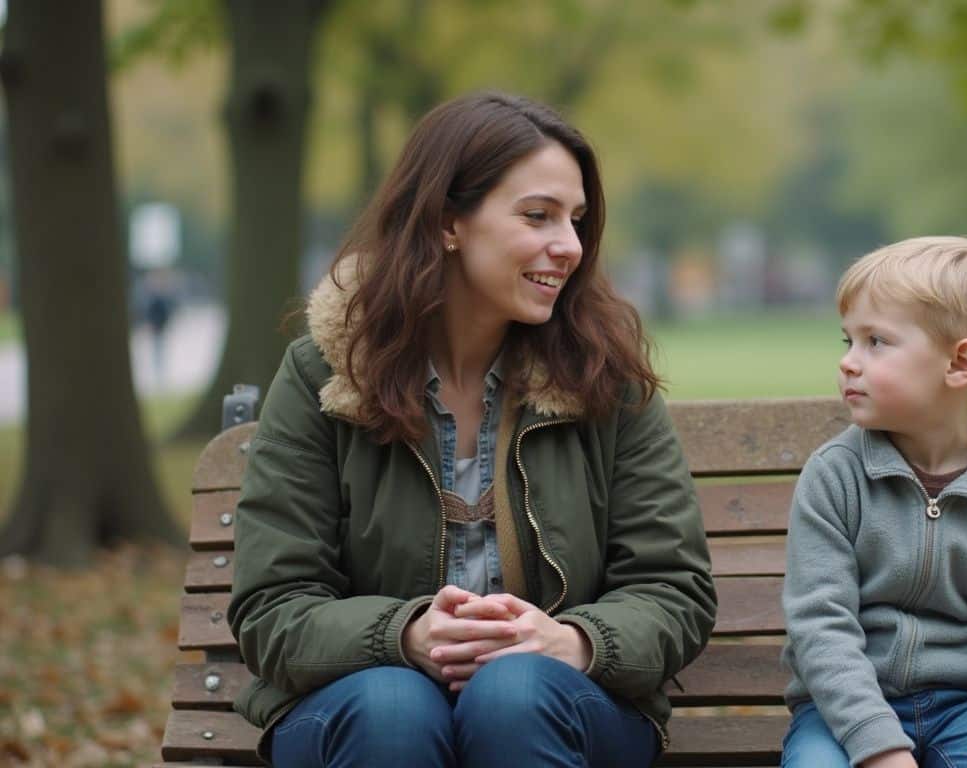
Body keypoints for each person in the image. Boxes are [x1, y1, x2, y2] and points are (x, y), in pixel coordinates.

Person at [227, 92, 717, 768]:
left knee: (513, 694)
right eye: (538, 216)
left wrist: (573, 643)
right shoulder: (325, 372)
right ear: (447, 223)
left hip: (563, 706)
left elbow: (673, 591)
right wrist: (404, 635)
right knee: (396, 709)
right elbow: (272, 607)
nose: (569, 246)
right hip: (359, 711)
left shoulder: (604, 376)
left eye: (576, 221)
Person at [780, 236, 967, 768]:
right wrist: (878, 746)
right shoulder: (834, 478)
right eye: (847, 339)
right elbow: (819, 626)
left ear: (960, 363)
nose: (848, 362)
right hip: (844, 709)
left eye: (876, 341)